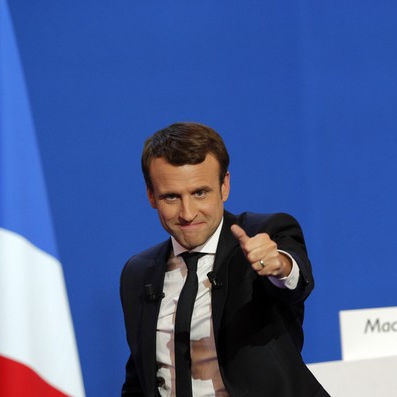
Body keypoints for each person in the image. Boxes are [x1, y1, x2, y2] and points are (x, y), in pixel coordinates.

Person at [120, 122, 329, 397]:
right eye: (171, 197)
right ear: (151, 196)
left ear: (224, 186)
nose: (187, 212)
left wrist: (278, 264)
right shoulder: (138, 272)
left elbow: (295, 279)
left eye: (200, 193)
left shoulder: (264, 234)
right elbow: (140, 378)